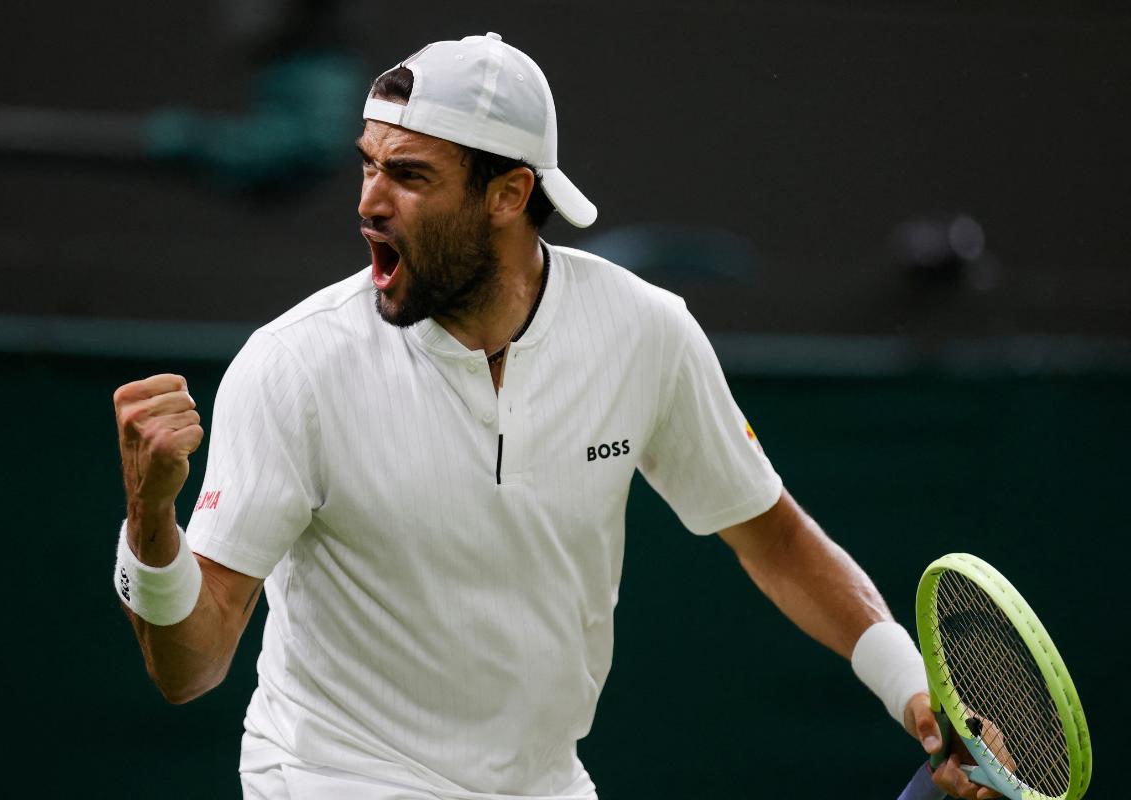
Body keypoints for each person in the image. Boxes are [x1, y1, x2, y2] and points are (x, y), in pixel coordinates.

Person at [111, 32, 995, 800]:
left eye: (410, 175)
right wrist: (152, 525)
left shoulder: (643, 332)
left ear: (507, 194)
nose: (369, 202)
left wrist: (912, 690)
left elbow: (774, 538)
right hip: (331, 774)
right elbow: (189, 668)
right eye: (369, 163)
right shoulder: (293, 364)